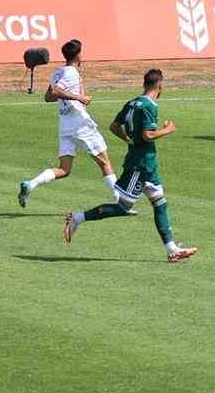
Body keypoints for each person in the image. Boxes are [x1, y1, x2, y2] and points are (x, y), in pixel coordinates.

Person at [63, 68, 198, 263]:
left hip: (147, 164)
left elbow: (114, 126)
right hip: (139, 165)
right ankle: (77, 218)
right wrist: (167, 130)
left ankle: (172, 250)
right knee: (123, 207)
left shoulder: (132, 103)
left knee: (160, 203)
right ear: (160, 85)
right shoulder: (149, 106)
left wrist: (128, 139)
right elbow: (147, 135)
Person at [18, 39, 116, 207]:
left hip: (65, 126)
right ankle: (121, 201)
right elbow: (56, 91)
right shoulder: (71, 73)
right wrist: (79, 97)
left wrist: (73, 95)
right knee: (105, 162)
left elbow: (48, 97)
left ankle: (31, 184)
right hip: (80, 125)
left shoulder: (58, 72)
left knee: (64, 169)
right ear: (78, 55)